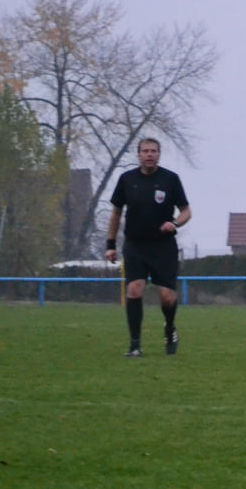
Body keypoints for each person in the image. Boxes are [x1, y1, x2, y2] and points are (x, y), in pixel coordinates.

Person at [103, 137, 190, 357]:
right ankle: (135, 345)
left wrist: (175, 223)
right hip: (135, 245)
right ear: (138, 154)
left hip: (163, 247)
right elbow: (115, 213)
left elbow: (186, 211)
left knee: (167, 297)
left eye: (154, 151)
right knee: (134, 289)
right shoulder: (127, 180)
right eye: (145, 151)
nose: (150, 154)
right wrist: (110, 244)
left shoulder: (170, 179)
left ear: (159, 155)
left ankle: (170, 329)